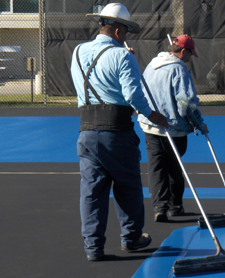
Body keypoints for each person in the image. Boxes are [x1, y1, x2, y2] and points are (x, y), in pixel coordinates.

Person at [70, 3, 169, 261]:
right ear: (117, 32)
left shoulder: (78, 51)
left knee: (92, 192)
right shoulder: (124, 56)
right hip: (116, 131)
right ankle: (132, 236)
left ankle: (93, 247)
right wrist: (153, 115)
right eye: (125, 31)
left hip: (86, 131)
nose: (126, 36)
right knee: (128, 186)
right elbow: (132, 95)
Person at [138, 34, 209, 222]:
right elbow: (185, 104)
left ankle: (159, 207)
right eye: (190, 54)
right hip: (173, 127)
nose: (190, 58)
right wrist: (199, 123)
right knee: (174, 165)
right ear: (183, 51)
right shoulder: (179, 70)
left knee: (156, 167)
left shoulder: (151, 66)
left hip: (150, 125)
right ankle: (175, 205)